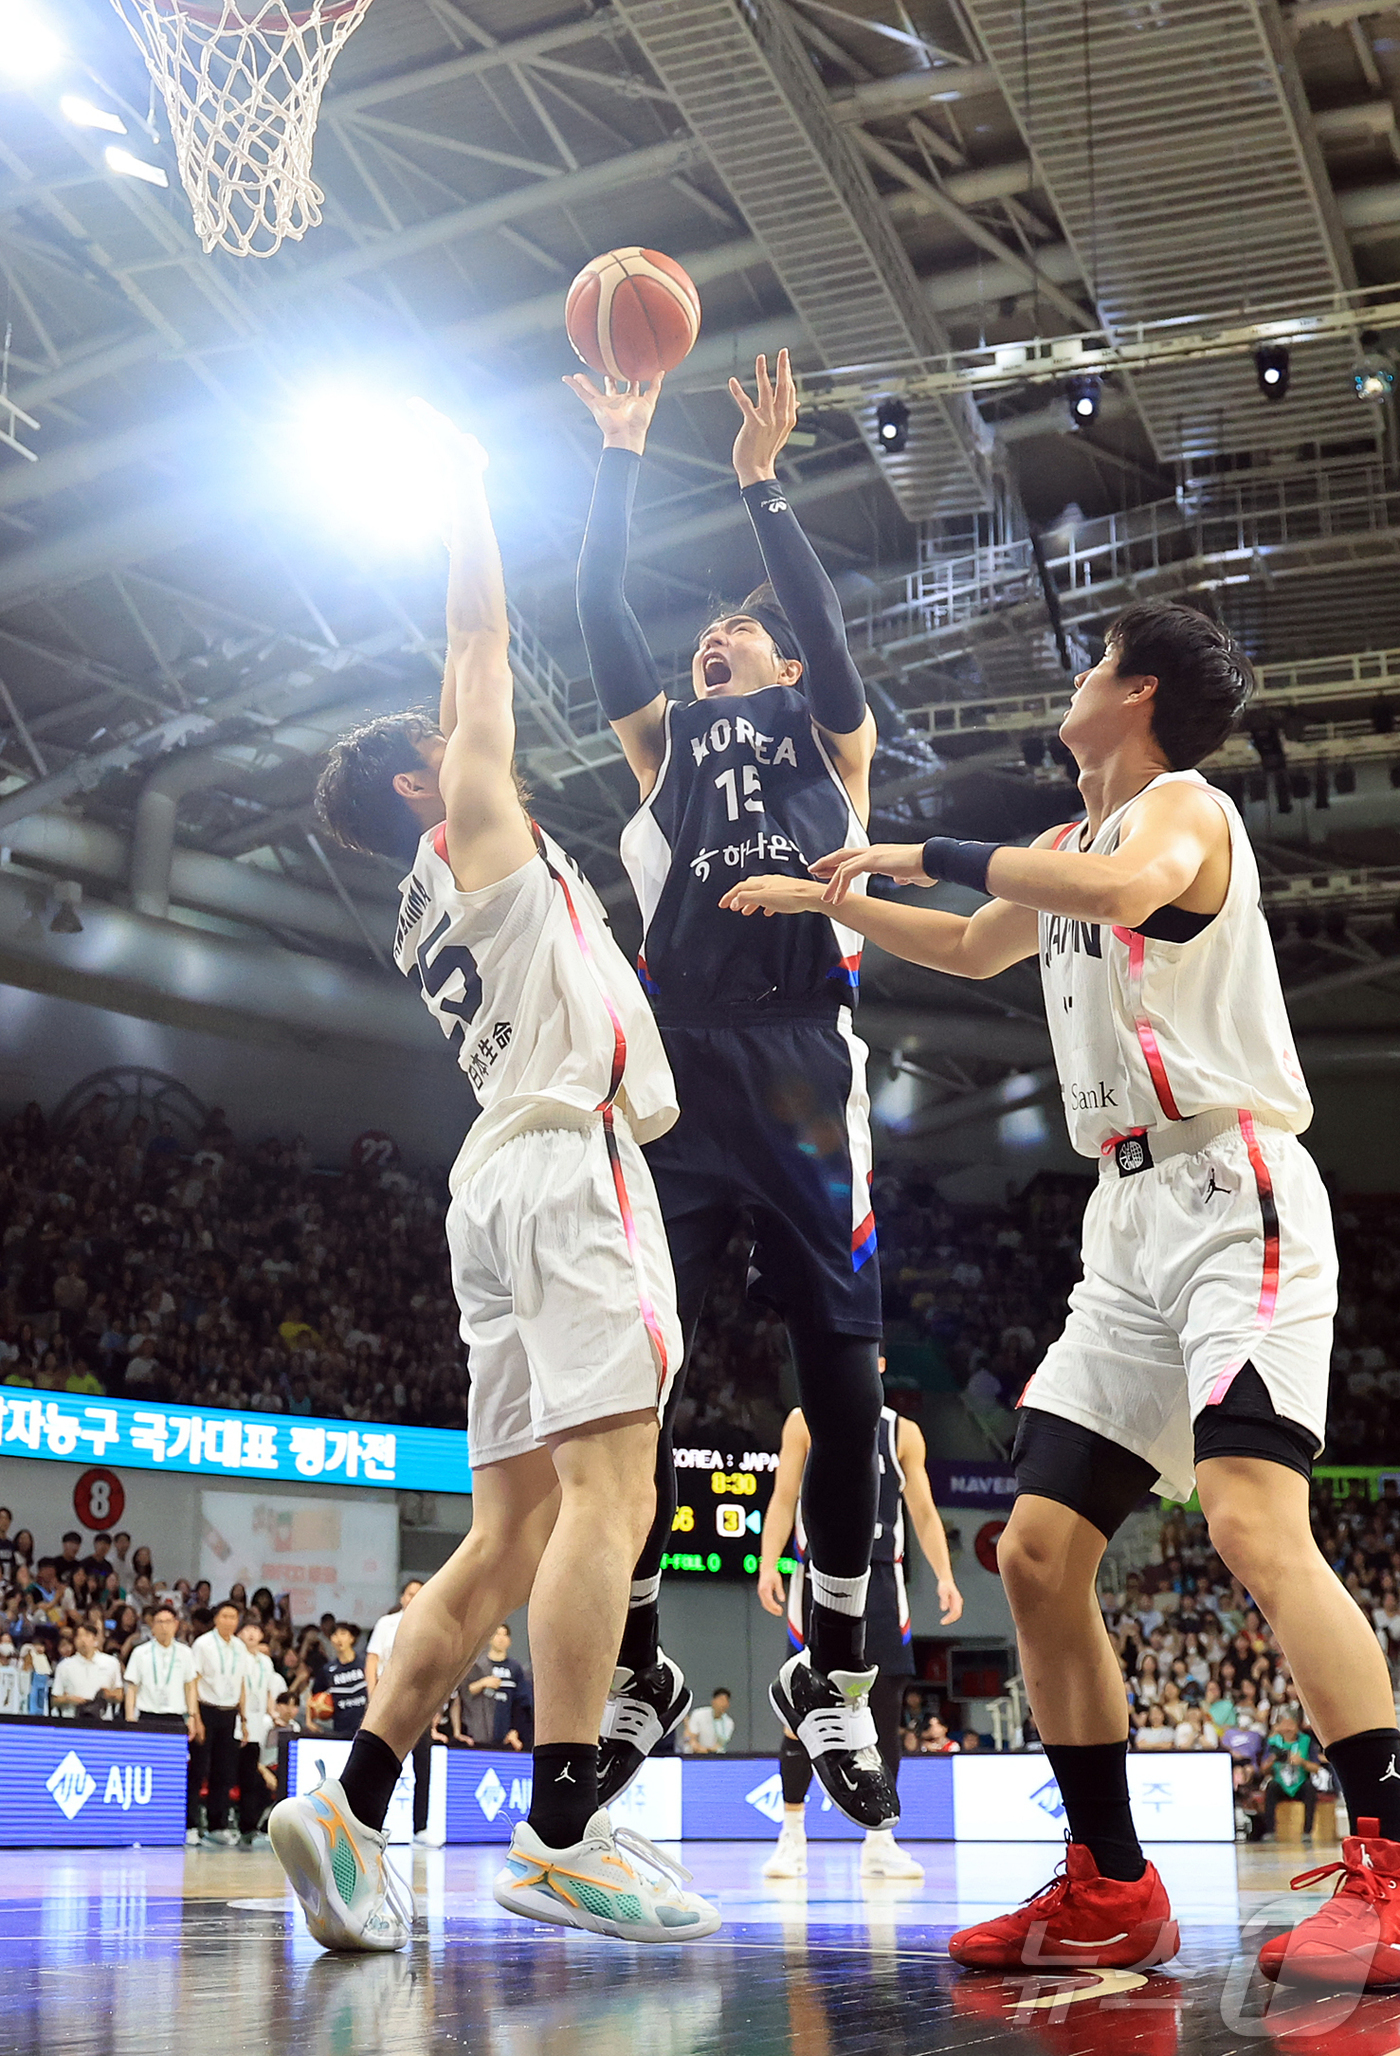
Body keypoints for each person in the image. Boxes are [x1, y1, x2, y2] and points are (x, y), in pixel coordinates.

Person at [723, 596, 1400, 1985]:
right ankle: (1111, 1883)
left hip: (1233, 1189)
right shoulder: (1063, 846)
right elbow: (974, 946)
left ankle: (1392, 1861)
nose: (1074, 680)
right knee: (1035, 1554)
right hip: (1125, 1218)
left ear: (1136, 693)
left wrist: (916, 845)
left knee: (1250, 1519)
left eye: (1095, 663)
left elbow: (1120, 894)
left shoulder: (1185, 812)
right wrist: (831, 899)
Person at [269, 419, 715, 1953]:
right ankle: (563, 1830)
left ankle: (352, 1804)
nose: (481, 732)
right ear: (425, 773)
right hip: (568, 1163)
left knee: (508, 1534)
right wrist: (468, 481)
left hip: (494, 1190)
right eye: (454, 733)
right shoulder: (469, 812)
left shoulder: (432, 897)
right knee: (612, 1497)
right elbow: (479, 637)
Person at [566, 350, 892, 1832]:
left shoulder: (831, 737)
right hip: (678, 1067)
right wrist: (621, 455)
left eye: (738, 635)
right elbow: (601, 619)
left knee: (845, 1379)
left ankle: (834, 1670)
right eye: (708, 636)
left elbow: (823, 629)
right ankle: (643, 1666)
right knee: (631, 1372)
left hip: (806, 1061)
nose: (716, 640)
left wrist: (761, 487)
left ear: (786, 668)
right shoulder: (665, 749)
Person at [758, 1392, 963, 1881]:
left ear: (881, 1364)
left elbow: (924, 1511)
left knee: (884, 1716)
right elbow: (784, 1497)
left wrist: (945, 1576)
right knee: (802, 1709)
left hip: (883, 1579)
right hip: (817, 1575)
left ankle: (880, 1842)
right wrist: (768, 1564)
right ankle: (792, 1836)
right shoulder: (804, 1419)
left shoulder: (903, 1432)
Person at [364, 1581, 435, 1839]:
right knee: (382, 1762)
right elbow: (372, 1660)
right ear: (402, 1597)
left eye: (420, 1595)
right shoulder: (387, 1624)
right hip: (389, 1697)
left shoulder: (432, 1626)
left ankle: (421, 1828)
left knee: (423, 1767)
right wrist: (373, 1698)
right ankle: (373, 1824)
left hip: (421, 1701)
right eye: (410, 1594)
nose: (414, 1599)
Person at [189, 1599, 248, 1849]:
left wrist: (244, 1718)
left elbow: (242, 1682)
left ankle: (218, 1825)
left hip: (230, 1712)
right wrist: (195, 1717)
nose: (229, 1621)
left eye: (233, 1617)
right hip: (206, 1709)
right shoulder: (203, 1644)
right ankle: (191, 1825)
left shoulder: (240, 1646)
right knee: (199, 1769)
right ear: (215, 1619)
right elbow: (192, 1681)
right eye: (224, 1616)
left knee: (223, 1772)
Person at [236, 1615, 281, 1847]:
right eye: (247, 1629)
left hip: (257, 1728)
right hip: (237, 1726)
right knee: (232, 1776)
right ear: (239, 1634)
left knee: (252, 1782)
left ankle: (249, 1828)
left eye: (256, 1629)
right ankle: (227, 1826)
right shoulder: (236, 1656)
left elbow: (268, 1692)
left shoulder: (266, 1662)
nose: (252, 1633)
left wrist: (273, 1713)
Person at [124, 1601, 199, 1731]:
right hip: (148, 1715)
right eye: (160, 1622)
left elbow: (190, 1686)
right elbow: (132, 1687)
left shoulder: (185, 1652)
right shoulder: (140, 1652)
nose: (164, 1627)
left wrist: (192, 1716)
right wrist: (130, 1717)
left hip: (175, 1716)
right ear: (152, 1626)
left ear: (176, 1625)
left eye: (168, 1622)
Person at [460, 1623, 529, 1749]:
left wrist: (516, 1731)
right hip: (477, 1733)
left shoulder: (515, 1668)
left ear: (510, 1641)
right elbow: (463, 1693)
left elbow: (521, 1702)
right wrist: (482, 1683)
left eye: (505, 1635)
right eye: (497, 1634)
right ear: (490, 1638)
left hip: (506, 1735)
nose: (501, 1639)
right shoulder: (477, 1666)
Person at [51, 1620, 122, 1719]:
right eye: (79, 1636)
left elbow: (119, 1695)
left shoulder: (111, 1663)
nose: (83, 1640)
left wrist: (108, 1694)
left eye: (87, 1635)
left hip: (103, 1720)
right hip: (72, 1719)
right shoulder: (64, 1666)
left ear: (95, 1639)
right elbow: (55, 1699)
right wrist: (69, 1699)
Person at [1262, 1715, 1318, 1839]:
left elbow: (1316, 1768)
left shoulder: (1306, 1741)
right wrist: (1273, 1760)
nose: (1287, 1729)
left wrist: (1302, 1762)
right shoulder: (1272, 1742)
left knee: (1310, 1788)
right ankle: (1270, 1831)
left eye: (1291, 1725)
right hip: (1280, 1782)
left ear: (1297, 1727)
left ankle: (1307, 1832)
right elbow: (1263, 1769)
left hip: (1300, 1782)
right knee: (1271, 1787)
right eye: (1284, 1725)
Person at [312, 1623, 369, 1738]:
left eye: (343, 1634)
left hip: (367, 1726)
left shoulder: (365, 1663)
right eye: (335, 1635)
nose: (338, 1639)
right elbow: (314, 1696)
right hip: (341, 1729)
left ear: (352, 1638)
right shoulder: (328, 1670)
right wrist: (309, 1720)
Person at [685, 1689, 734, 1756]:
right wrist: (697, 1747)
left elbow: (721, 1743)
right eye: (721, 1700)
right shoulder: (698, 1714)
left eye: (726, 1701)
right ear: (713, 1701)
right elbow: (690, 1736)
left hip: (715, 1756)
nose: (723, 1704)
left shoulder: (729, 1723)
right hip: (693, 1755)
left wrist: (707, 1751)